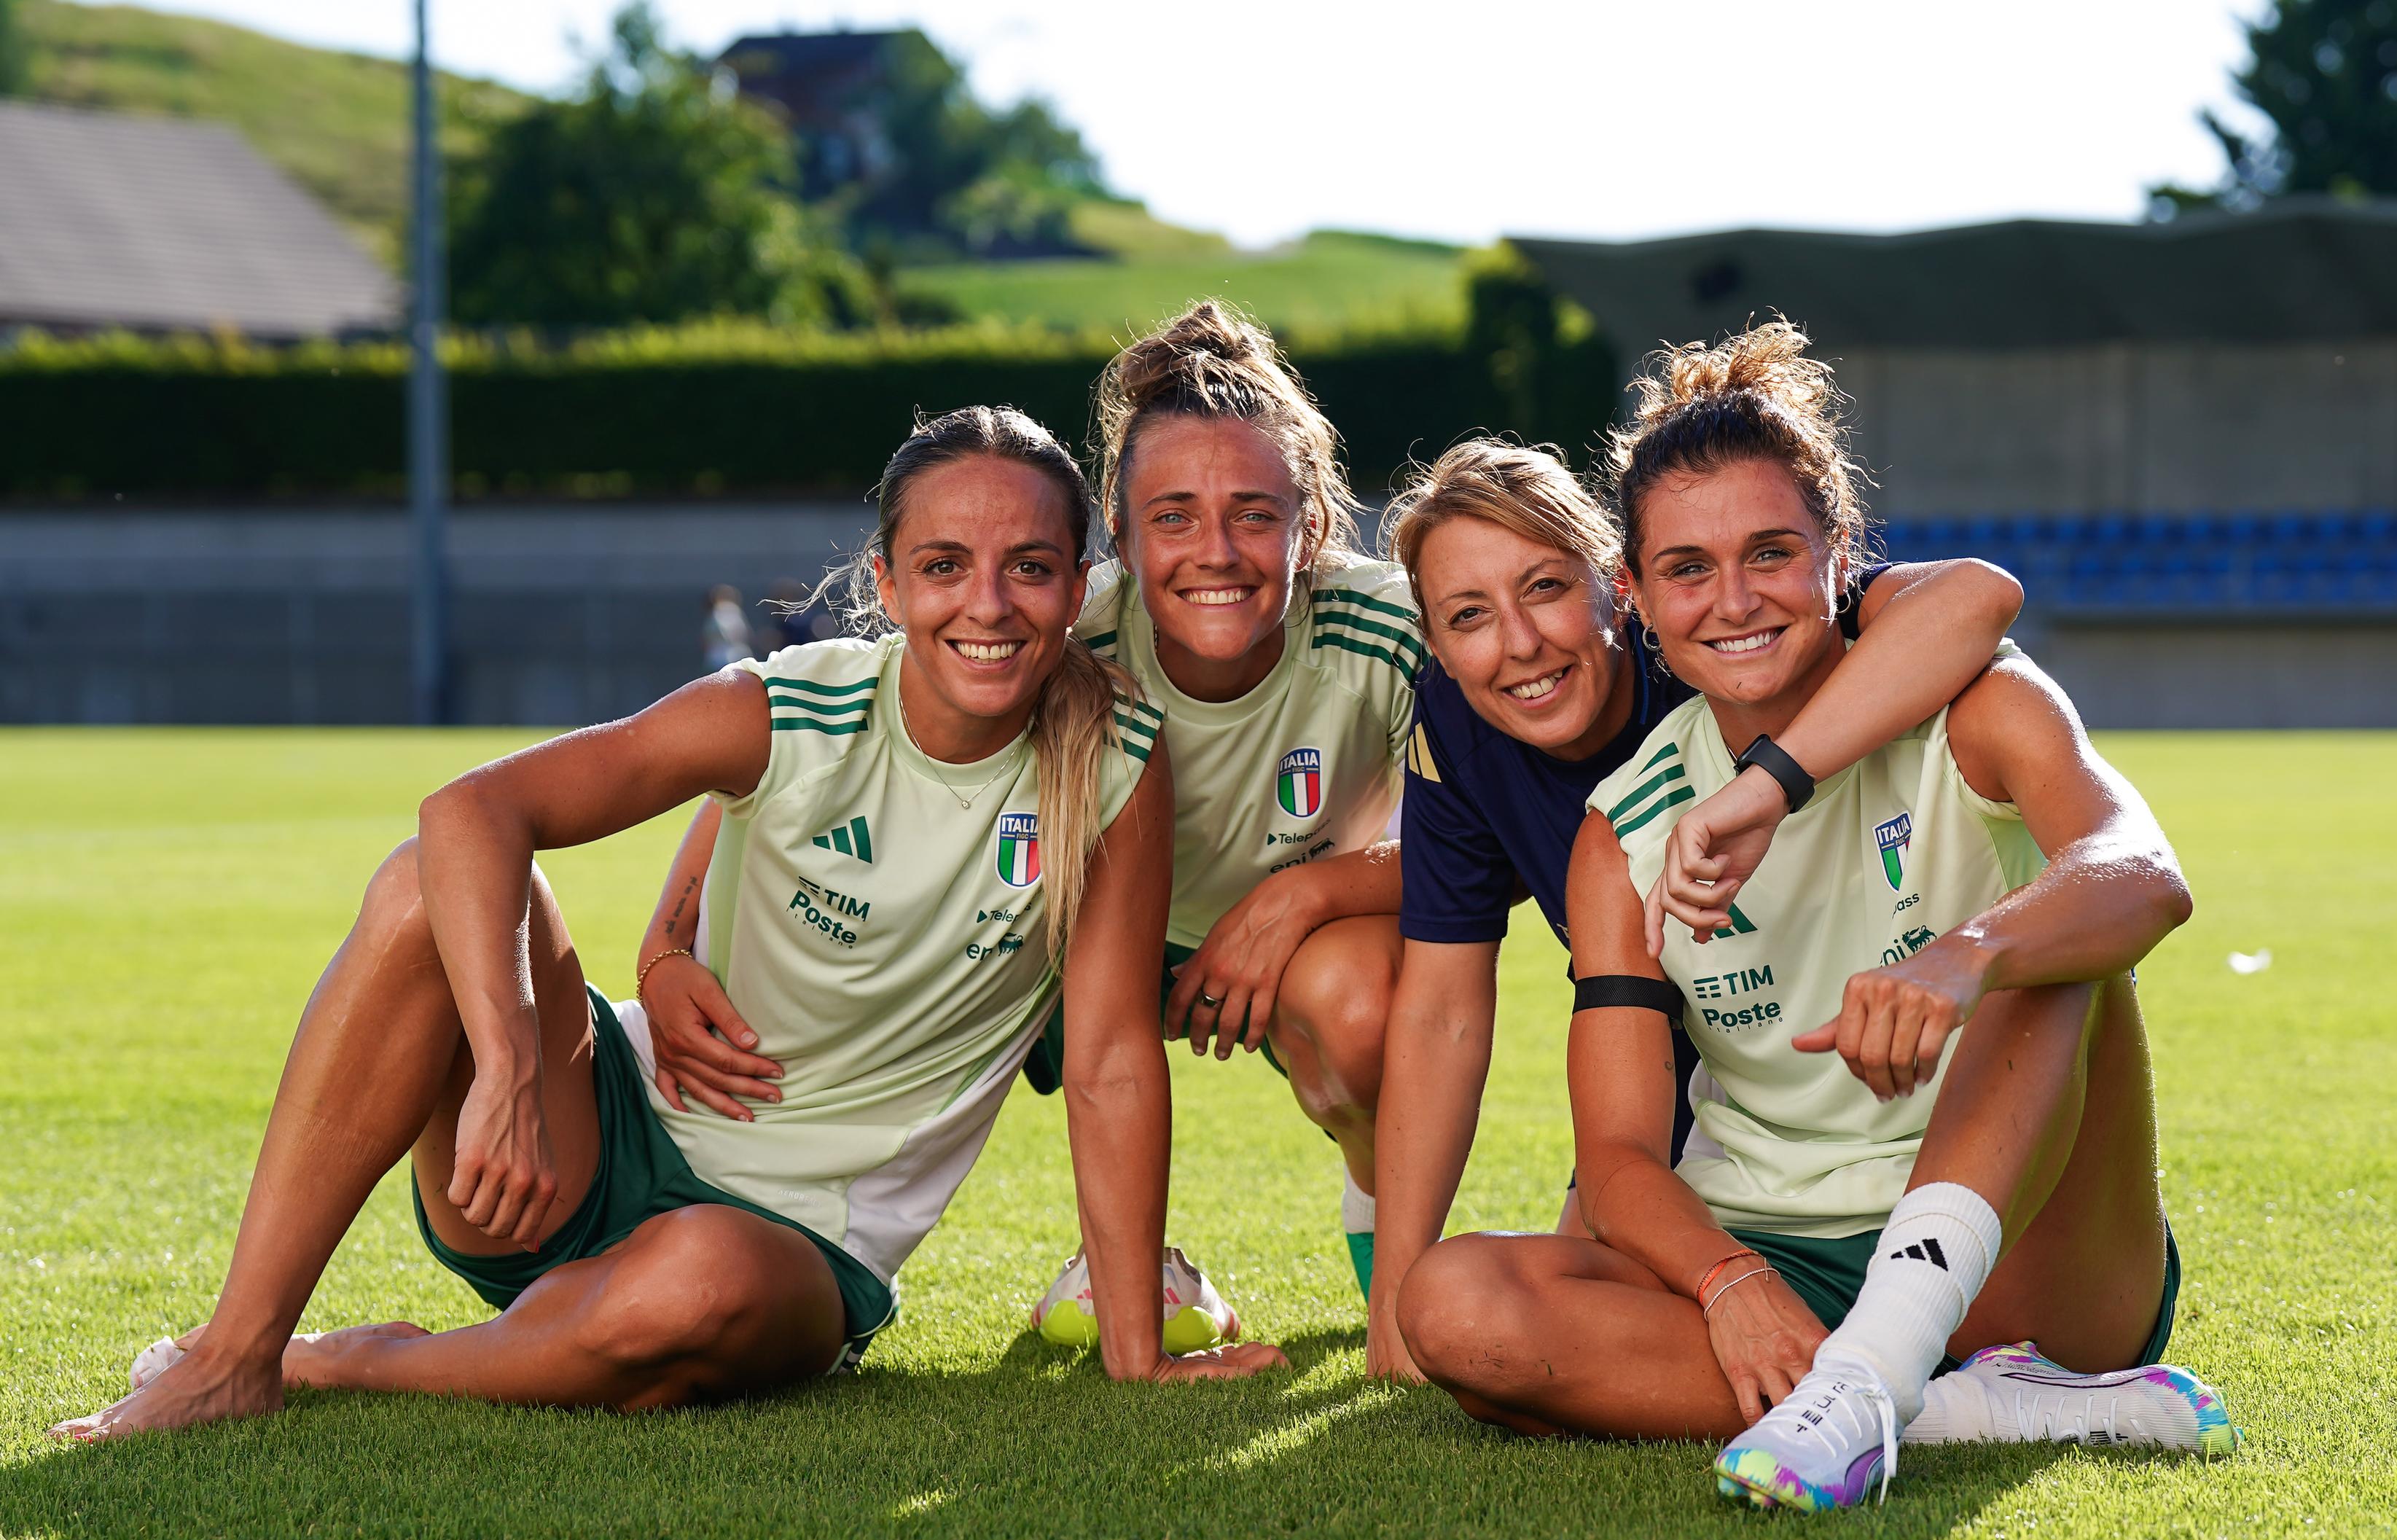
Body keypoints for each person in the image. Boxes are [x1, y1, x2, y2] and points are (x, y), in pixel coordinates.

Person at [52, 406, 1285, 1444]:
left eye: (1029, 565)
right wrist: (510, 1065)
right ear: (891, 581)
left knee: (692, 1283)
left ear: (1078, 586)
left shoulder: (1114, 759)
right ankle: (235, 1349)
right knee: (425, 884)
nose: (990, 602)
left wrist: (1137, 1353)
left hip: (785, 1251)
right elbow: (473, 810)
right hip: (570, 1150)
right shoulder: (783, 709)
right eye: (947, 564)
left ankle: (342, 1362)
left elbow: (1113, 1056)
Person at [1391, 324, 2238, 1509]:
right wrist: (1731, 1285)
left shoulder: (1977, 708)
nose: (1734, 601)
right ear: (1635, 596)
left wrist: (1966, 957)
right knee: (1455, 1309)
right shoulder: (1619, 834)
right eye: (1687, 570)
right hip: (1780, 1250)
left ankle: (1883, 1361)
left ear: (1842, 555)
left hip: (2024, 1254)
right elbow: (1624, 1157)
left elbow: (2142, 873)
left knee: (2050, 953)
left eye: (1773, 554)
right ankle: (1937, 1403)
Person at [639, 304, 1420, 1329]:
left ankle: (1395, 1265)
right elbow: (800, 736)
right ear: (1121, 533)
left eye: (1256, 515)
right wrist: (663, 947)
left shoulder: (1391, 627)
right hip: (1068, 938)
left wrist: (1307, 894)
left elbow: (1500, 829)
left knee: (1367, 1004)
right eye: (1175, 515)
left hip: (1287, 949)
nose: (1215, 550)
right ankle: (1117, 1269)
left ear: (1312, 524)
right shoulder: (1054, 624)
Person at [1366, 436, 2028, 1380]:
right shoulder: (1466, 724)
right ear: (1434, 642)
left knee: (2038, 962)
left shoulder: (1724, 636)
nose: (1519, 643)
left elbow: (1973, 597)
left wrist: (1763, 784)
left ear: (1612, 585)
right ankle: (1929, 1397)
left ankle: (1908, 1325)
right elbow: (1441, 1011)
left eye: (1547, 588)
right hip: (1694, 1083)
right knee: (1485, 1307)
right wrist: (1396, 1310)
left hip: (1910, 1091)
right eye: (1469, 615)